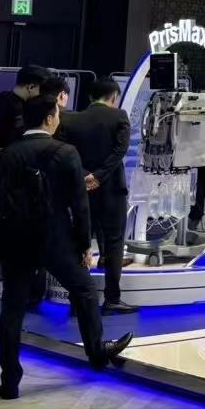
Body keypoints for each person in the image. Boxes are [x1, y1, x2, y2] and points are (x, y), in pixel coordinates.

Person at [0, 95, 131, 398]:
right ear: (49, 118)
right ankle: (97, 352)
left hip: (15, 241)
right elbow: (79, 204)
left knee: (12, 309)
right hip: (55, 239)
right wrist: (83, 244)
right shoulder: (65, 152)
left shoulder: (6, 154)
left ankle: (9, 380)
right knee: (84, 290)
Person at [62, 80, 134, 314]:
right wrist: (100, 176)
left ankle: (78, 300)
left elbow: (66, 152)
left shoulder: (71, 119)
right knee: (114, 242)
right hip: (112, 189)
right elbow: (120, 151)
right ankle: (112, 298)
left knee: (80, 240)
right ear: (114, 97)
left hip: (82, 188)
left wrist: (86, 175)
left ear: (90, 97)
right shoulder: (119, 116)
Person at [0, 65, 49, 155]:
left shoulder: (1, 98)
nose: (43, 95)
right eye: (42, 90)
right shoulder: (18, 111)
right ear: (31, 87)